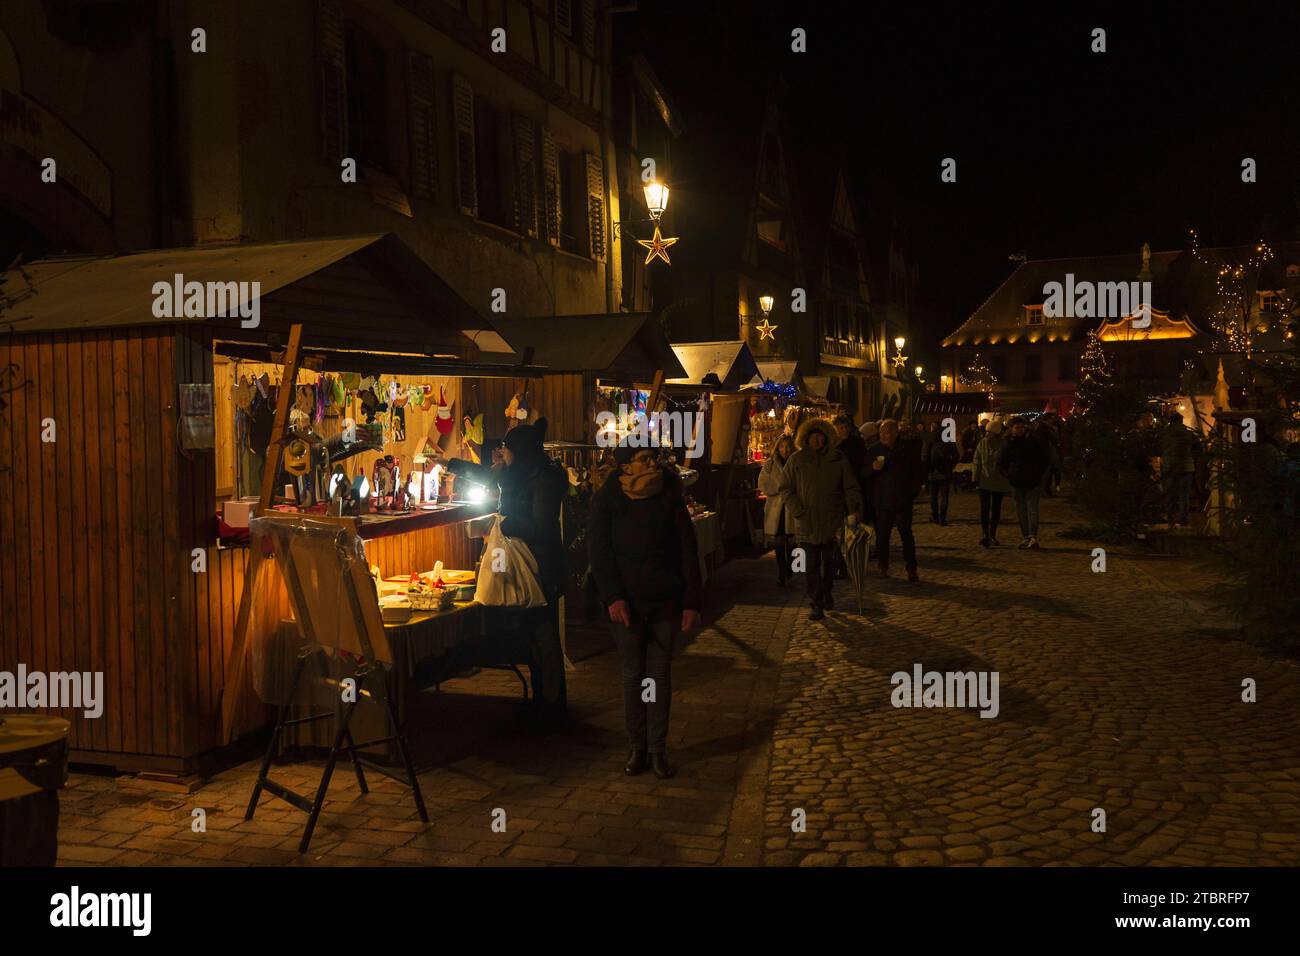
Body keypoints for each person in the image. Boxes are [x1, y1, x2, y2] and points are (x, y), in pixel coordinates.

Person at [440, 417, 569, 720]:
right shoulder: (519, 473)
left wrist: (506, 523)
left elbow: (542, 525)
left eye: (505, 450)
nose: (501, 455)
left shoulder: (544, 479)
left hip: (541, 567)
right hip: (525, 563)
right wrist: (450, 463)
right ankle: (543, 702)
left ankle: (552, 706)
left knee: (545, 638)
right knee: (535, 638)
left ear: (520, 452)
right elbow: (487, 475)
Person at [588, 446, 703, 779]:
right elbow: (600, 552)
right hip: (626, 605)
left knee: (658, 675)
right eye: (643, 457)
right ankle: (636, 746)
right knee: (632, 675)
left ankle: (657, 749)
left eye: (653, 456)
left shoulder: (668, 494)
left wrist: (692, 601)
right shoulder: (609, 498)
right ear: (626, 465)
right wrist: (613, 597)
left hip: (664, 600)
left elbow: (687, 549)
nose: (652, 462)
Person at [779, 418, 863, 620]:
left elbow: (850, 487)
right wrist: (798, 510)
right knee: (810, 566)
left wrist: (854, 510)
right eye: (813, 436)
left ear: (826, 438)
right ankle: (816, 602)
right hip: (806, 523)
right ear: (806, 438)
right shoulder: (796, 460)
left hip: (833, 520)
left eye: (821, 436)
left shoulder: (837, 458)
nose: (817, 440)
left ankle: (827, 591)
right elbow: (786, 488)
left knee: (832, 563)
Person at [865, 418, 922, 581]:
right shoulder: (874, 450)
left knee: (906, 535)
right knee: (882, 536)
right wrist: (872, 468)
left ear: (896, 433)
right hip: (882, 502)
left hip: (902, 500)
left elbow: (917, 472)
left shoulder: (906, 449)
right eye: (881, 432)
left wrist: (912, 493)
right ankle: (883, 566)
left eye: (887, 432)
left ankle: (911, 568)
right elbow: (864, 473)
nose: (883, 435)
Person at [999, 417, 1050, 549]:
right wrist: (1009, 475)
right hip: (1016, 481)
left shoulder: (1033, 442)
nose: (1020, 430)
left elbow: (1043, 459)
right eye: (1017, 428)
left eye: (1022, 427)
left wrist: (1039, 474)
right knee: (1021, 511)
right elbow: (1001, 462)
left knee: (1032, 510)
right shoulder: (1008, 444)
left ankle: (1032, 536)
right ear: (1012, 429)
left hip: (1032, 481)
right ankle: (1026, 537)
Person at [758, 435, 796, 585]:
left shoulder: (797, 462)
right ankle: (782, 572)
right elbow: (763, 483)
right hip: (777, 506)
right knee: (779, 540)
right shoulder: (771, 463)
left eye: (787, 447)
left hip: (791, 505)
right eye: (782, 447)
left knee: (792, 539)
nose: (785, 450)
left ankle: (790, 567)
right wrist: (778, 488)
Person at [973, 419, 1011, 546]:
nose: (987, 434)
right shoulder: (982, 443)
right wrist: (975, 478)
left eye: (990, 432)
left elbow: (1005, 462)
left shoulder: (1003, 444)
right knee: (984, 509)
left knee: (995, 509)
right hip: (984, 479)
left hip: (998, 480)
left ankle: (992, 534)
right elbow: (977, 460)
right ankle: (985, 534)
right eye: (987, 431)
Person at [1159, 412, 1199, 526]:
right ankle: (1183, 519)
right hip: (1186, 467)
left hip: (1169, 467)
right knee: (1184, 495)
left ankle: (1170, 517)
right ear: (1181, 421)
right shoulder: (1189, 434)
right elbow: (1199, 450)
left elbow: (1157, 448)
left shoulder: (1164, 434)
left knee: (1169, 493)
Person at [927, 424, 959, 525]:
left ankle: (935, 516)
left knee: (933, 496)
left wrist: (928, 469)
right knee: (944, 496)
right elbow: (956, 456)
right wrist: (950, 466)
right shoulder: (949, 442)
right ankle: (942, 518)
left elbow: (924, 457)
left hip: (933, 473)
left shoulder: (931, 441)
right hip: (945, 473)